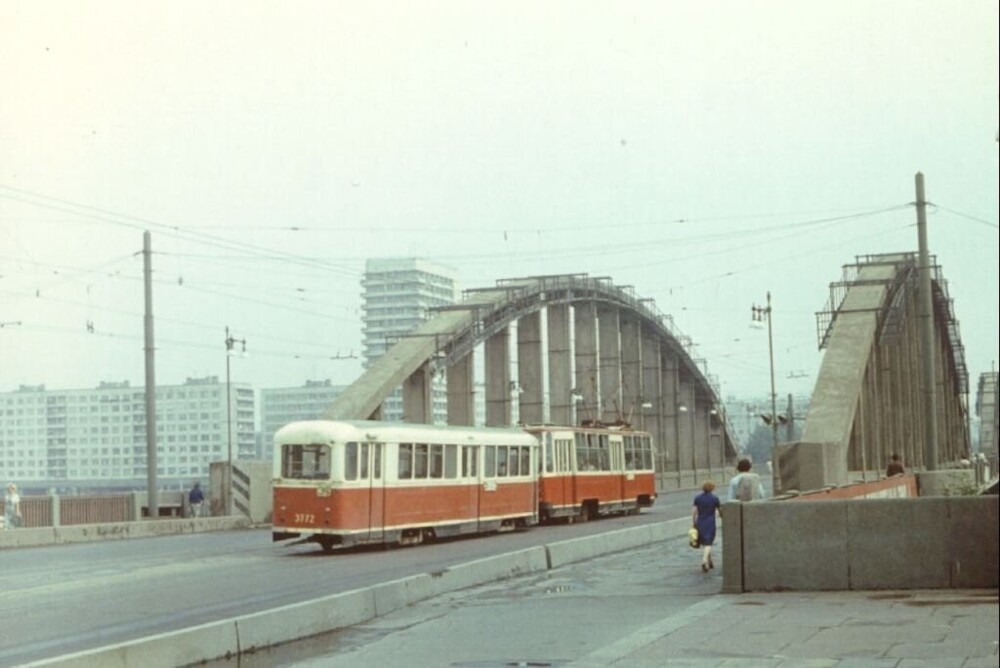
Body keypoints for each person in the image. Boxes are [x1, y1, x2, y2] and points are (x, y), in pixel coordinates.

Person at [692, 480, 721, 572]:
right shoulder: (715, 498)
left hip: (700, 521)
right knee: (708, 542)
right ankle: (704, 561)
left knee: (704, 542)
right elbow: (720, 511)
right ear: (712, 488)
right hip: (710, 522)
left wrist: (694, 523)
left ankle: (710, 560)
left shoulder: (697, 498)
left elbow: (694, 512)